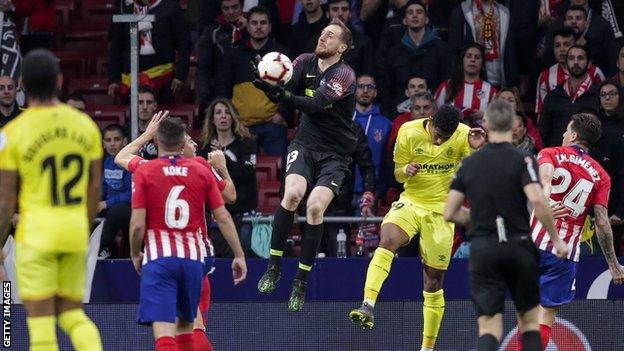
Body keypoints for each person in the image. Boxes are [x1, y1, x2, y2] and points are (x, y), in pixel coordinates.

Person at [349, 105, 486, 351]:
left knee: (433, 283)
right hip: (412, 202)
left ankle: (427, 348)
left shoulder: (464, 134)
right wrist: (406, 170)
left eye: (445, 137)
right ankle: (368, 303)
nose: (439, 140)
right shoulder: (408, 131)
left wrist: (479, 150)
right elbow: (397, 174)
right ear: (430, 120)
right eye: (437, 134)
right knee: (388, 239)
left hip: (442, 212)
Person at [443, 99, 568, 351]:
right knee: (529, 322)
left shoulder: (470, 164)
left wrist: (477, 221)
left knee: (489, 327)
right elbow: (537, 200)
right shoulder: (523, 160)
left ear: (486, 124)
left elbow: (449, 212)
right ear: (513, 125)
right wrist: (556, 239)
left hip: (483, 247)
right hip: (518, 245)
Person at [0, 49, 103, 350]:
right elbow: (94, 191)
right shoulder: (85, 126)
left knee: (42, 326)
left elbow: (6, 200)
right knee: (73, 315)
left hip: (36, 234)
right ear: (59, 81)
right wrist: (80, 228)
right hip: (72, 230)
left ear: (22, 85)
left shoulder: (12, 133)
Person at [253, 18, 358, 311]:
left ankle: (300, 280)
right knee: (292, 195)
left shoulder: (345, 75)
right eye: (323, 33)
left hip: (336, 153)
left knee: (314, 207)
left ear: (342, 47)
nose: (323, 38)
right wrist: (270, 85)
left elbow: (313, 104)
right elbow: (286, 87)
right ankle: (274, 266)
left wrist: (284, 95)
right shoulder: (302, 61)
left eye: (331, 36)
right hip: (306, 144)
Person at [116, 111, 237, 351]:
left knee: (172, 331)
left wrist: (147, 135)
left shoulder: (149, 168)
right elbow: (230, 197)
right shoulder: (201, 167)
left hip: (163, 255)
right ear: (182, 146)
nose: (194, 143)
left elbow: (122, 156)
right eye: (190, 140)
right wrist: (222, 169)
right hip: (196, 254)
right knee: (192, 327)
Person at [525, 113, 624, 350]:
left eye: (566, 130)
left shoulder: (549, 153)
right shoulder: (602, 175)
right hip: (564, 253)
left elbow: (545, 180)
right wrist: (614, 265)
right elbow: (601, 222)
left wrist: (546, 202)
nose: (562, 134)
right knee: (545, 315)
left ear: (574, 135)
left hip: (532, 244)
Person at [215, 6, 289, 156]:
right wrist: (231, 118)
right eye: (254, 23)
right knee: (240, 174)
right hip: (241, 127)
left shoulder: (281, 55)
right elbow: (222, 87)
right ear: (247, 27)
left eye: (263, 23)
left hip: (272, 126)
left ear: (270, 27)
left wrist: (282, 114)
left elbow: (291, 87)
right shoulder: (234, 54)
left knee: (280, 172)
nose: (259, 27)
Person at [198, 98, 258, 256]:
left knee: (244, 251)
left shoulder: (247, 143)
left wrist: (224, 160)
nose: (223, 116)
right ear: (212, 119)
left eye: (227, 112)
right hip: (216, 213)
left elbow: (247, 175)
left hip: (243, 211)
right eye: (218, 112)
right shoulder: (203, 148)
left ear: (233, 117)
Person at [108, 0, 191, 103]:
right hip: (131, 81)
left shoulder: (170, 6)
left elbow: (183, 42)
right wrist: (114, 79)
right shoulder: (124, 8)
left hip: (163, 81)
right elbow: (116, 47)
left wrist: (180, 75)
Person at [381, 0, 451, 115]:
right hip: (400, 113)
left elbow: (446, 83)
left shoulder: (441, 49)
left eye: (419, 12)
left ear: (427, 19)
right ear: (404, 20)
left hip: (434, 112)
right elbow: (388, 86)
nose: (414, 15)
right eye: (410, 12)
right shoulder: (395, 52)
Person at [539, 45, 599, 147]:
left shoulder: (598, 95)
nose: (575, 62)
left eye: (580, 58)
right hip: (558, 157)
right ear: (566, 63)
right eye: (571, 58)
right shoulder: (553, 96)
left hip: (586, 158)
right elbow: (543, 131)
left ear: (589, 63)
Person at [535, 27, 604, 115]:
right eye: (557, 45)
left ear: (575, 45)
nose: (562, 49)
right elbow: (542, 113)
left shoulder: (595, 72)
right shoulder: (545, 76)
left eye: (567, 44)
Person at [448, 0, 518, 88]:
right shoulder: (462, 12)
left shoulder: (504, 13)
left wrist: (513, 83)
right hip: (471, 81)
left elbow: (510, 51)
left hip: (500, 81)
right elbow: (454, 50)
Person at [196, 0, 247, 105]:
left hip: (247, 89)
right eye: (226, 8)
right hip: (220, 91)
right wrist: (206, 100)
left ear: (242, 7)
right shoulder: (212, 32)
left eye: (235, 7)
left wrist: (247, 30)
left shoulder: (252, 28)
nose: (231, 11)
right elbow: (203, 69)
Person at [435, 43, 497, 127]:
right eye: (468, 56)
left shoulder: (491, 91)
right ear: (462, 60)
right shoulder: (446, 87)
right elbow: (435, 113)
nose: (473, 60)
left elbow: (499, 121)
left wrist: (484, 116)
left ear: (482, 63)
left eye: (477, 57)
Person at [98, 124, 132, 259]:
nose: (112, 144)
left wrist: (108, 203)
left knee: (117, 210)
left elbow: (132, 194)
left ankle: (104, 247)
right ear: (103, 144)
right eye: (108, 140)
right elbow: (103, 188)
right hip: (108, 204)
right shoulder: (105, 162)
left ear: (124, 142)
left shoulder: (129, 162)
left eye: (116, 139)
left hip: (125, 207)